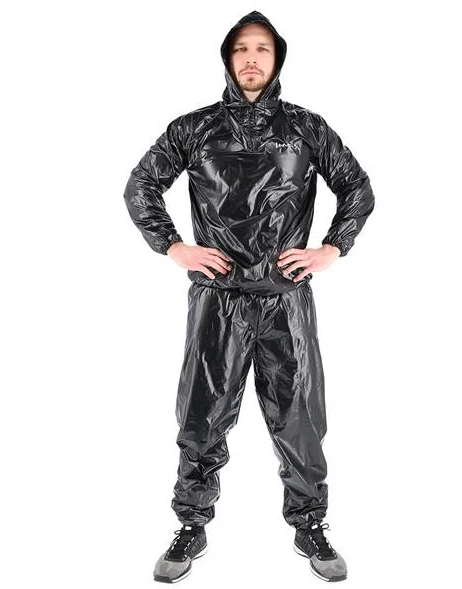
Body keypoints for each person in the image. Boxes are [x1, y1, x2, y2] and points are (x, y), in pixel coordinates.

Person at [123, 10, 375, 584]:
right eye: (241, 49)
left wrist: (331, 248)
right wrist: (174, 247)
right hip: (219, 299)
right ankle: (191, 523)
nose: (252, 59)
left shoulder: (306, 128)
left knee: (300, 418)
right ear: (227, 58)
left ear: (277, 58)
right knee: (201, 416)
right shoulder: (195, 128)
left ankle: (310, 523)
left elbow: (356, 187)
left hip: (286, 298)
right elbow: (141, 185)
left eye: (262, 48)